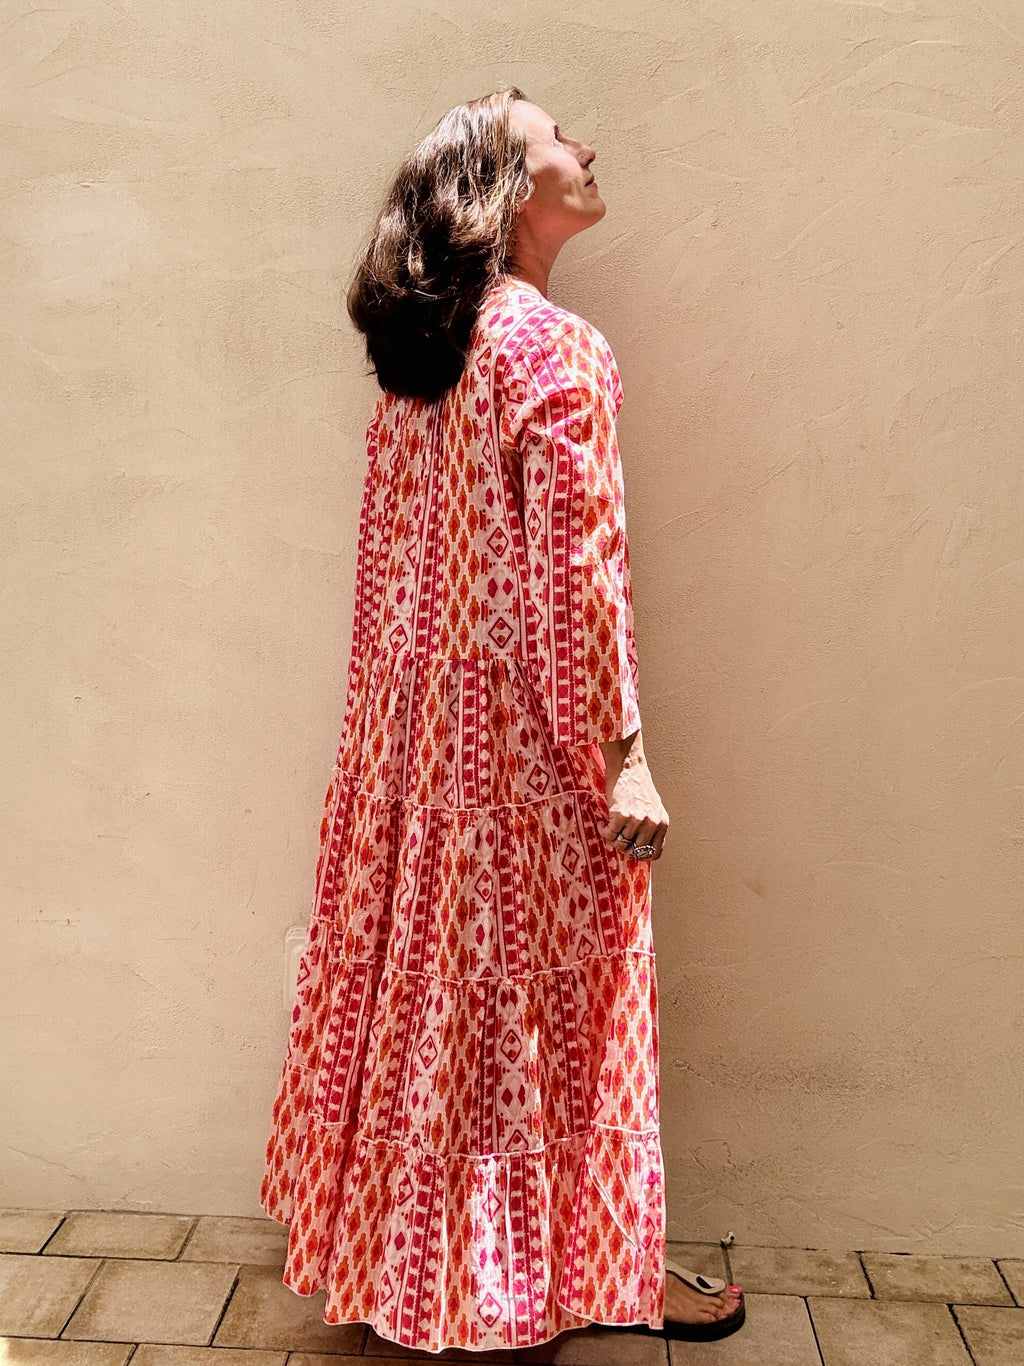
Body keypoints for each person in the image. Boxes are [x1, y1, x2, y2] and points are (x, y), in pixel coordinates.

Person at [259, 87, 745, 1352]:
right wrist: (624, 758)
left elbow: (389, 585)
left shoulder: (421, 365)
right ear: (507, 191)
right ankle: (586, 1274)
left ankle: (424, 1273)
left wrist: (390, 756)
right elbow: (577, 582)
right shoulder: (553, 350)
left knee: (435, 1012)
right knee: (555, 1022)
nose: (586, 147)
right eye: (557, 138)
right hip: (527, 757)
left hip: (411, 754)